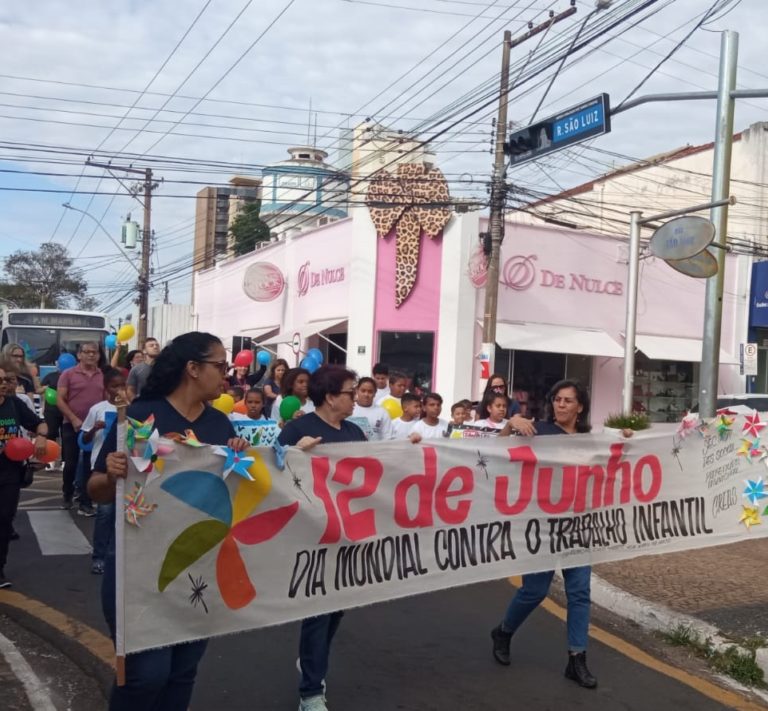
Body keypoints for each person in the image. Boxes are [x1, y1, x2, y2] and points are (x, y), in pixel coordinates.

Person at [88, 331, 249, 711]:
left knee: (182, 673)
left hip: (196, 568)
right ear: (192, 369)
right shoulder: (141, 415)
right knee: (146, 676)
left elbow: (232, 492)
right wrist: (112, 475)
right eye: (219, 366)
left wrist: (243, 460)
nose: (225, 375)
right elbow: (94, 489)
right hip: (138, 569)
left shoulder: (221, 426)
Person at [490, 379, 598, 689]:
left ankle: (577, 659)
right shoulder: (537, 432)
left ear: (580, 407)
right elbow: (497, 451)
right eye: (557, 400)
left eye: (568, 401)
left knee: (579, 593)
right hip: (542, 525)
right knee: (535, 591)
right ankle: (504, 632)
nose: (561, 405)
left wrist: (627, 440)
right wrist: (511, 424)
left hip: (577, 526)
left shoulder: (589, 441)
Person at [277, 365, 366, 711]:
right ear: (330, 397)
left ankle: (310, 661)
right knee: (318, 610)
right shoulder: (297, 429)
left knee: (336, 609)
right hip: (310, 536)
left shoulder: (356, 433)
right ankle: (311, 693)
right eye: (349, 392)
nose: (355, 398)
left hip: (348, 535)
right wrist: (295, 454)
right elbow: (272, 475)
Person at [0, 364, 47, 588]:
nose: (4, 385)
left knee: (4, 520)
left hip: (10, 472)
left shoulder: (14, 404)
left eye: (5, 381)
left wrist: (40, 437)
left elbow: (40, 423)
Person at [80, 368, 126, 575]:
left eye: (122, 385)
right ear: (106, 388)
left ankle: (117, 555)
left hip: (123, 469)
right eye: (114, 386)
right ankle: (99, 556)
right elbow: (83, 440)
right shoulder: (97, 408)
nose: (118, 390)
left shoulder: (129, 408)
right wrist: (94, 429)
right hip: (101, 466)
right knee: (105, 513)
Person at [56, 342, 104, 514]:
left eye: (94, 352)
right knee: (71, 463)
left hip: (95, 427)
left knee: (91, 464)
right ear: (79, 355)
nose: (91, 355)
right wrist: (74, 419)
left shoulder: (102, 375)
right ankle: (67, 494)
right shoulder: (68, 374)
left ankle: (86, 501)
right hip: (72, 424)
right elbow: (60, 400)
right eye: (87, 352)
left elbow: (106, 400)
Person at [126, 337, 160, 401]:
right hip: (144, 405)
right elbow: (130, 389)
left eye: (157, 345)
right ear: (144, 350)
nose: (155, 347)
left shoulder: (166, 368)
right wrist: (135, 404)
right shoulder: (136, 370)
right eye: (151, 345)